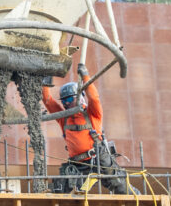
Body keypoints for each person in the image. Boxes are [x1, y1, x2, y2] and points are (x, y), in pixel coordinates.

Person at [42, 63, 127, 194]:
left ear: (80, 97)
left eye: (70, 99)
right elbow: (48, 100)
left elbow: (94, 97)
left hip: (99, 160)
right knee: (64, 191)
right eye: (64, 101)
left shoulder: (92, 113)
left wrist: (85, 77)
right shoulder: (63, 118)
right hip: (78, 165)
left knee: (119, 186)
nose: (66, 104)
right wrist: (46, 78)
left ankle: (134, 198)